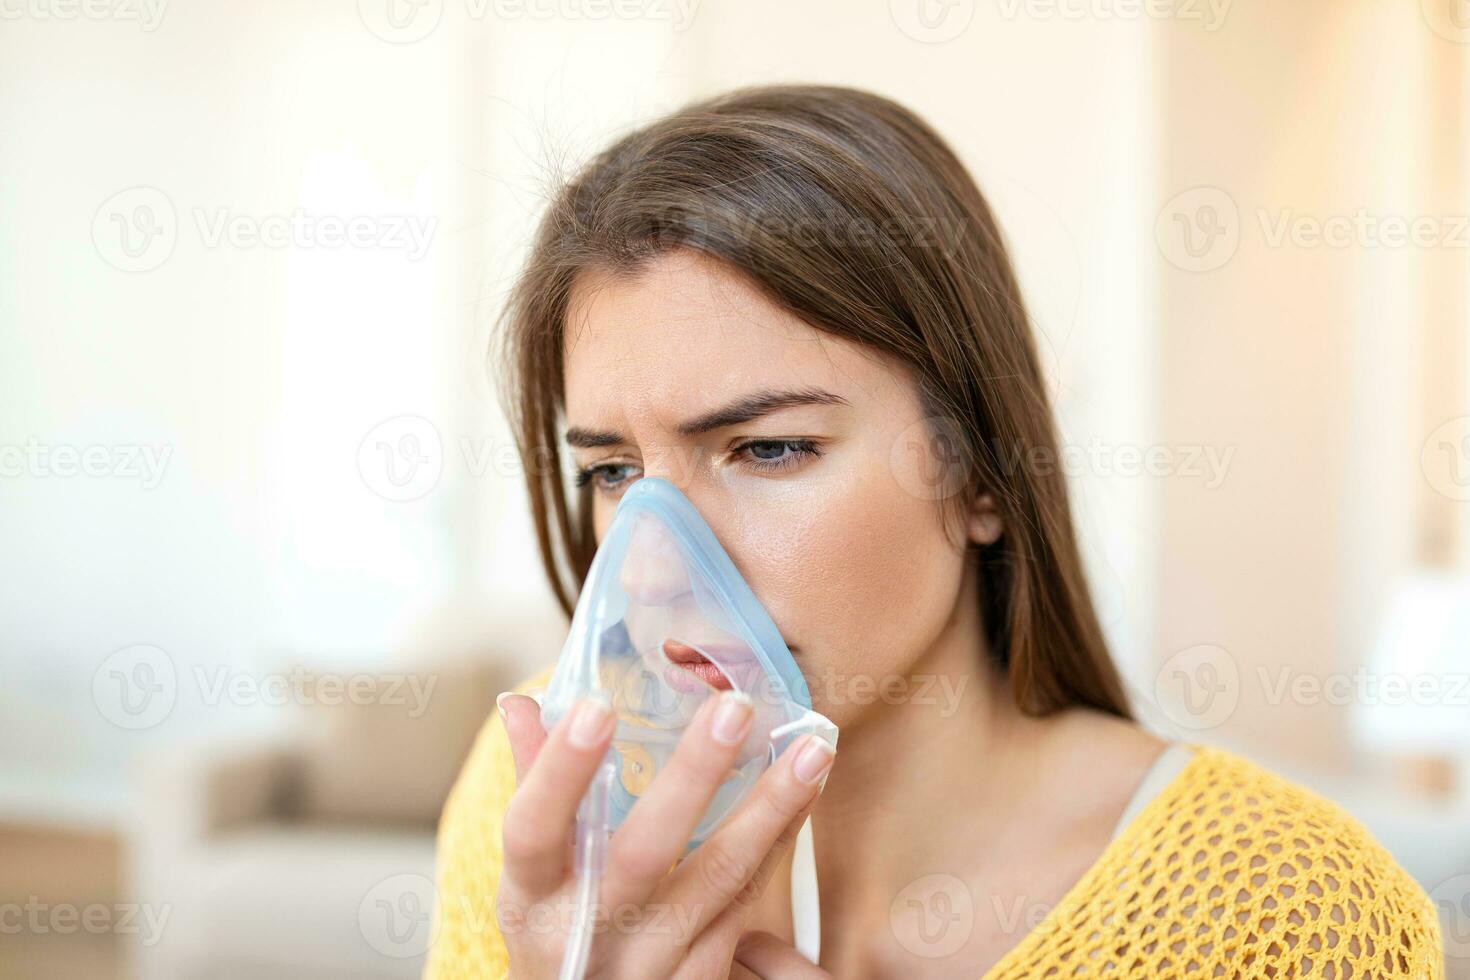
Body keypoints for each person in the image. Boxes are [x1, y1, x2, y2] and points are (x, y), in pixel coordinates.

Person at [424, 85, 1443, 979]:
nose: (654, 565)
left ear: (982, 474)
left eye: (769, 448)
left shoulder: (1286, 912)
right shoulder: (539, 823)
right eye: (613, 470)